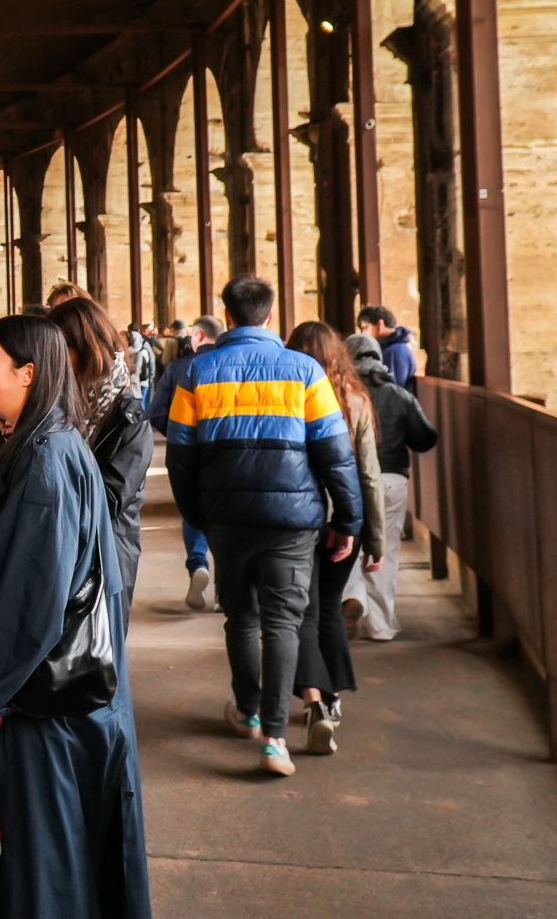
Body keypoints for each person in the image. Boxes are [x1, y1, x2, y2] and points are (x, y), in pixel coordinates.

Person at [0, 316, 151, 919]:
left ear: (28, 374)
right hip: (60, 709)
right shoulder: (51, 445)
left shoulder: (43, 461)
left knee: (34, 879)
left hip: (38, 714)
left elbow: (29, 607)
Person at [164, 277, 361, 778]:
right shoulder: (305, 370)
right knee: (282, 623)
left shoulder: (197, 372)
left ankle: (247, 712)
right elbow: (336, 455)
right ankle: (275, 740)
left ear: (226, 316)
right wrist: (349, 517)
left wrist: (197, 515)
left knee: (241, 618)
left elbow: (180, 458)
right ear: (271, 317)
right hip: (292, 523)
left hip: (227, 518)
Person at [284, 321, 385, 755]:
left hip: (298, 517)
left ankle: (313, 700)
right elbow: (369, 474)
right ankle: (335, 696)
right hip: (346, 520)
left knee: (302, 611)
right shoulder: (357, 401)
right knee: (327, 607)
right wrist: (373, 536)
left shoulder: (287, 397)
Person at [49, 296, 154, 622]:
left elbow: (109, 500)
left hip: (107, 553)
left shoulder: (128, 419)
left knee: (99, 659)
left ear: (86, 348)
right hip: (57, 550)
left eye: (59, 348)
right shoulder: (55, 407)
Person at [342, 332, 439, 641]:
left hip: (352, 480)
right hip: (393, 480)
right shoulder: (398, 394)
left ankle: (353, 595)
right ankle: (381, 625)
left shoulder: (339, 394)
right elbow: (425, 438)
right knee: (387, 549)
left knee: (349, 546)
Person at [148, 315, 223, 611]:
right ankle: (223, 590)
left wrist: (178, 435)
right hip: (223, 452)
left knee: (192, 511)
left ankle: (197, 564)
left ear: (199, 336)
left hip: (188, 453)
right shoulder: (232, 364)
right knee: (223, 516)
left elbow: (155, 413)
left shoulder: (179, 367)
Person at [356, 305, 418, 394]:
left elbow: (393, 392)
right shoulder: (392, 349)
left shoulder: (394, 351)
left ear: (380, 324)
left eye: (365, 328)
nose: (363, 334)